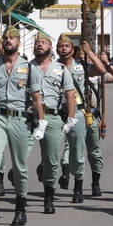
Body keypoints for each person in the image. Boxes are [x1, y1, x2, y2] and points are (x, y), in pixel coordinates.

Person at [0, 26, 36, 225]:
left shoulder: (28, 67)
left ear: (19, 42)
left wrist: (42, 122)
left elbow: (36, 98)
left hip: (20, 120)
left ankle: (20, 207)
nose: (8, 40)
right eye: (5, 38)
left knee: (20, 167)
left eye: (12, 38)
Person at [28, 30, 77, 215]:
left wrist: (70, 119)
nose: (39, 45)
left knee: (51, 159)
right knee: (20, 156)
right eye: (37, 42)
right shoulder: (26, 67)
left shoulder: (60, 69)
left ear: (50, 46)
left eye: (43, 42)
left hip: (52, 117)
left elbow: (70, 95)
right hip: (29, 117)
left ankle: (48, 195)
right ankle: (20, 194)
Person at [68, 38, 113, 199]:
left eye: (88, 57)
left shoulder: (97, 77)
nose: (85, 59)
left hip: (92, 117)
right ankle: (76, 184)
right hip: (75, 115)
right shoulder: (73, 72)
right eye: (82, 56)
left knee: (94, 152)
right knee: (74, 152)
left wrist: (107, 62)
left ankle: (95, 182)